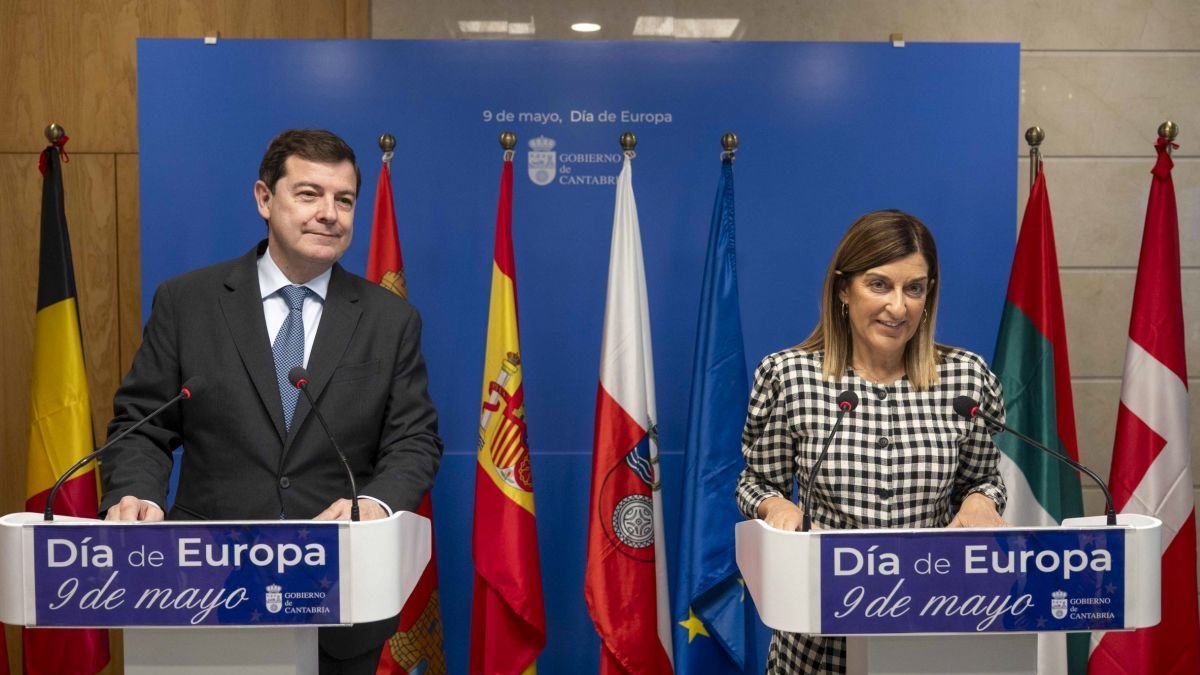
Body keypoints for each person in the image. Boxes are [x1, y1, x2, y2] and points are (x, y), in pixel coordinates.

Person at [99, 129, 443, 674]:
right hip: (205, 592)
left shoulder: (390, 320)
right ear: (264, 198)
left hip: (340, 597)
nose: (329, 213)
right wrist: (137, 491)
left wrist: (375, 504)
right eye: (309, 194)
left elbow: (413, 439)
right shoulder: (188, 303)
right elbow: (142, 424)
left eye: (344, 199)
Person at [734, 209, 1007, 674]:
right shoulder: (789, 377)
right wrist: (776, 508)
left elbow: (983, 479)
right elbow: (756, 483)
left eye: (914, 288)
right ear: (844, 289)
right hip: (819, 643)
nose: (898, 307)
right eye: (879, 284)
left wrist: (983, 500)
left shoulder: (966, 378)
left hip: (931, 635)